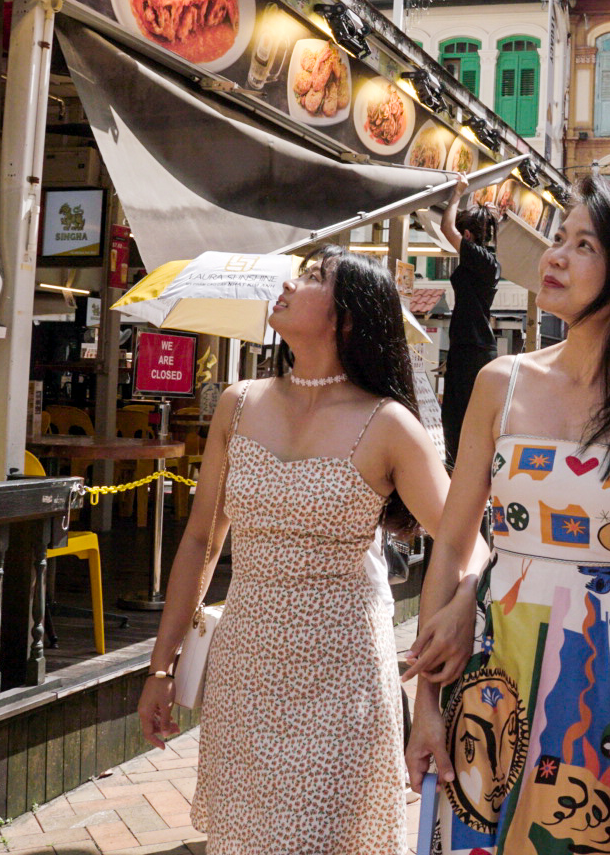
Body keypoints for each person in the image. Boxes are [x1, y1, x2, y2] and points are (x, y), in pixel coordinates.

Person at [136, 248, 482, 855]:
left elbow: (467, 541)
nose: (290, 282)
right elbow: (200, 541)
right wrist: (160, 669)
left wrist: (462, 605)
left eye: (315, 276)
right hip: (245, 670)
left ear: (348, 317)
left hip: (344, 676)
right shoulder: (236, 404)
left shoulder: (388, 424)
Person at [405, 177, 610, 855]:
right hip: (492, 666)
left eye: (582, 244)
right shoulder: (501, 383)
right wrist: (426, 709)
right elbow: (453, 542)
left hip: (608, 675)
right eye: (557, 238)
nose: (555, 256)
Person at [441, 172, 502, 469]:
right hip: (471, 347)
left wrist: (457, 193)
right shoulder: (487, 261)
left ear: (468, 236)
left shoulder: (481, 259)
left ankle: (461, 481)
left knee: (457, 418)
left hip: (472, 349)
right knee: (460, 418)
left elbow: (446, 227)